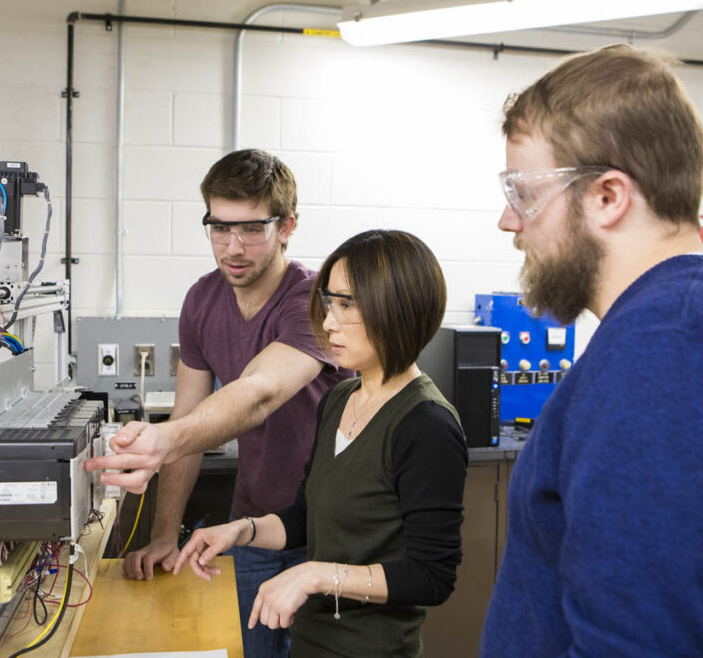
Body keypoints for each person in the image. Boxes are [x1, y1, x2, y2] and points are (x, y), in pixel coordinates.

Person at [481, 44, 703, 657]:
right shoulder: (696, 322)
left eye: (524, 193)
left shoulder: (672, 352)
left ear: (608, 196)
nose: (509, 220)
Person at [83, 149, 349, 658]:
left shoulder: (314, 299)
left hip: (326, 530)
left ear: (287, 226)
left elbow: (259, 393)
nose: (233, 247)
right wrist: (164, 534)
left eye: (251, 229)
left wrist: (163, 438)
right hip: (251, 525)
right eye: (219, 228)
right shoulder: (202, 301)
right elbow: (188, 420)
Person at [172, 229, 468, 658]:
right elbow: (307, 517)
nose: (328, 322)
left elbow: (431, 577)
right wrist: (242, 530)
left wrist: (313, 576)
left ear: (397, 309)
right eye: (330, 303)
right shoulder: (338, 399)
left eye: (347, 306)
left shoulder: (426, 424)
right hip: (312, 644)